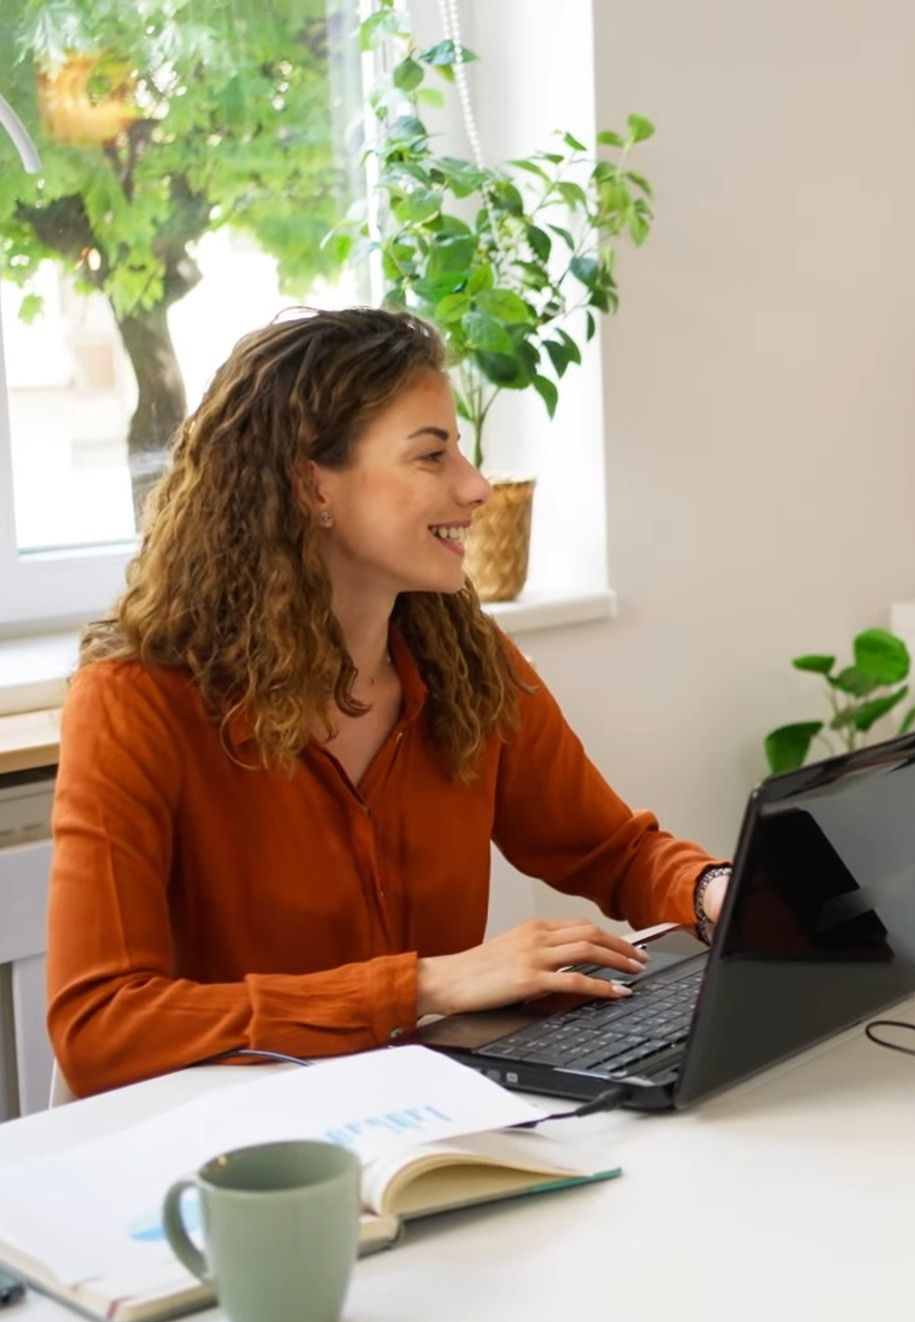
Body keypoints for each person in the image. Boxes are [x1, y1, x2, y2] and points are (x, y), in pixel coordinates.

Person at [46, 308, 732, 1097]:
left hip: (427, 1111)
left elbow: (610, 850)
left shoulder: (465, 661)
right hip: (238, 1144)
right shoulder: (134, 702)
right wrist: (423, 986)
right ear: (311, 485)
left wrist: (718, 892)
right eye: (432, 456)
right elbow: (99, 1024)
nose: (475, 487)